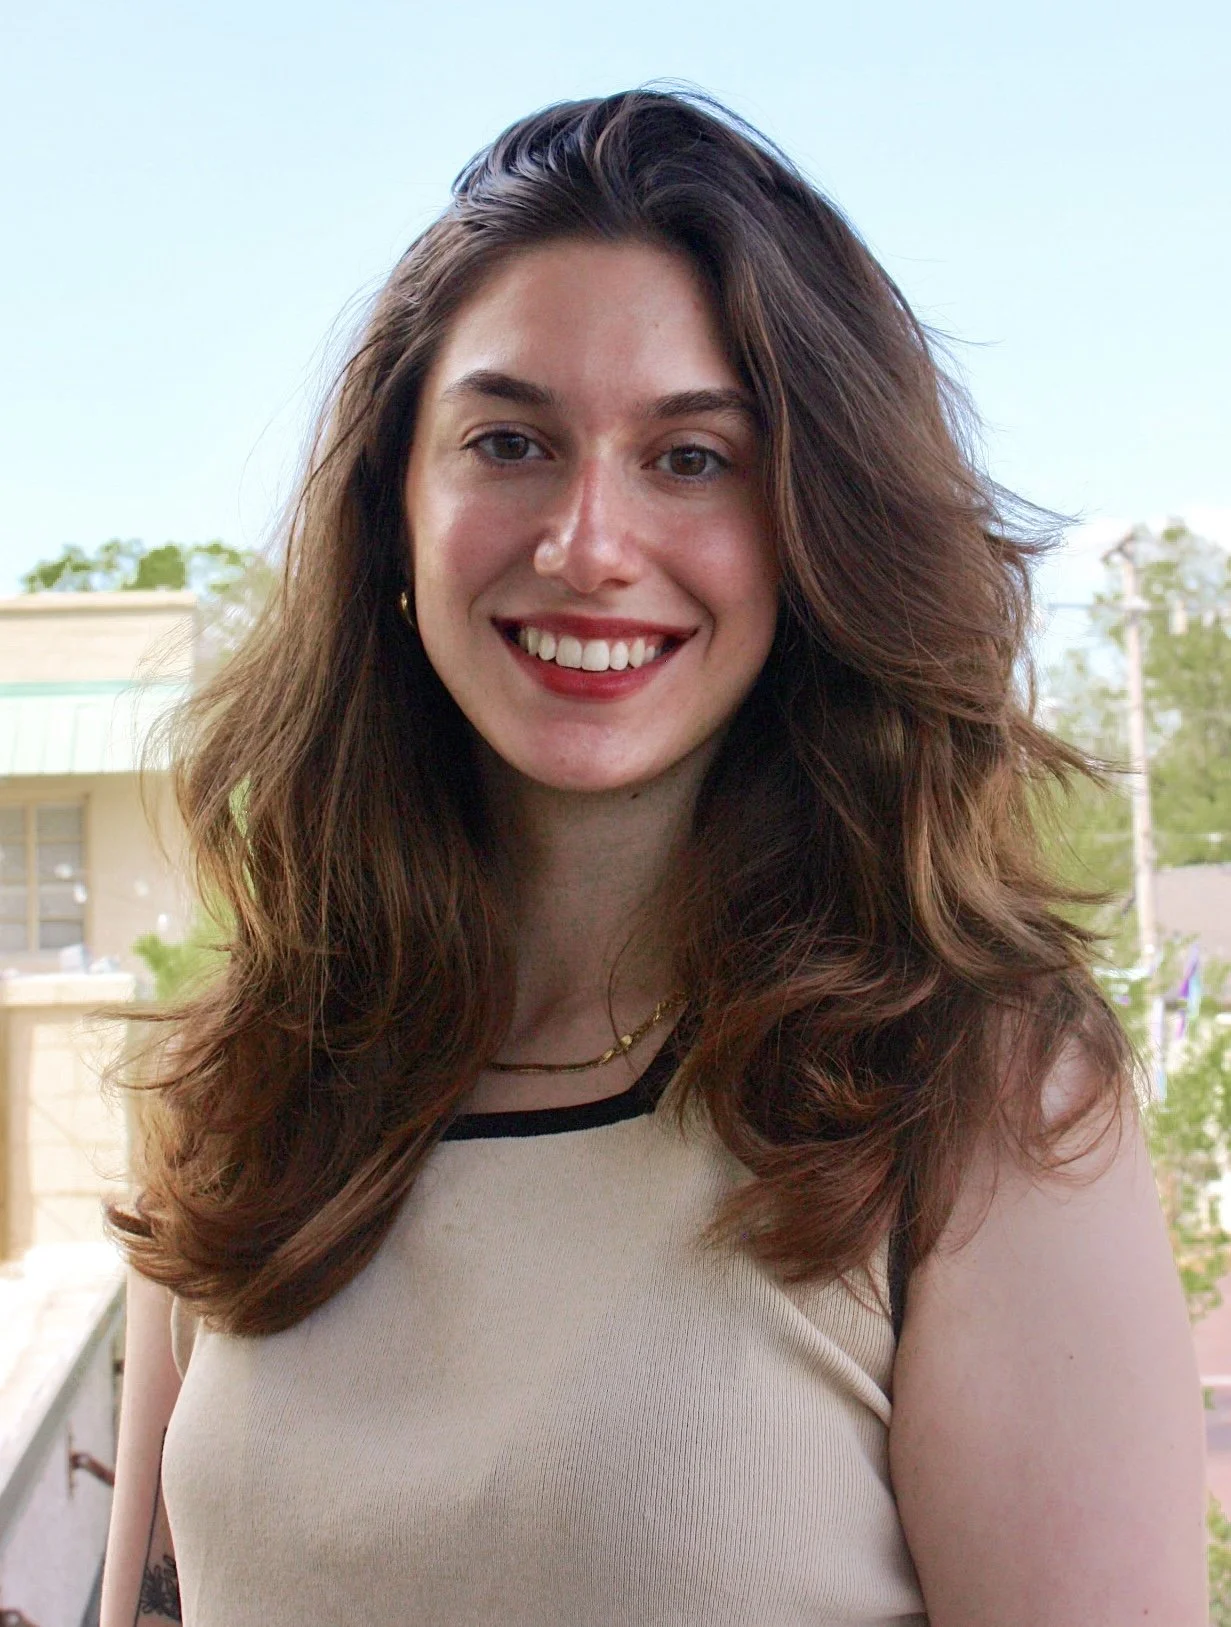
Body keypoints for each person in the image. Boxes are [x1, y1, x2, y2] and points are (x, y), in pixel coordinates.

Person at [99, 89, 1207, 1626]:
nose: (586, 543)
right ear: (391, 509)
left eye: (690, 457)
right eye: (508, 441)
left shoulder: (979, 1103)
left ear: (815, 526)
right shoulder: (250, 1077)